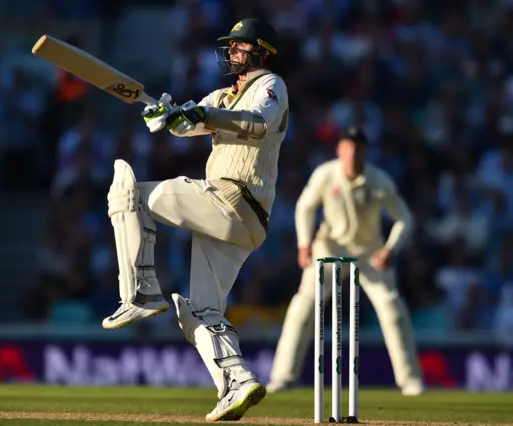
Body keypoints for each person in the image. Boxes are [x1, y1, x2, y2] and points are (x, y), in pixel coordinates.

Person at [102, 18, 289, 421]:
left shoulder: (270, 85)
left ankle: (140, 291)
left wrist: (200, 115)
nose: (232, 51)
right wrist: (167, 116)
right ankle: (237, 383)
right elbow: (190, 123)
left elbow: (255, 122)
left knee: (129, 193)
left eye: (239, 45)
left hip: (234, 198)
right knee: (201, 312)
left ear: (262, 50)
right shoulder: (223, 95)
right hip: (237, 224)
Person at [267, 128, 425, 396]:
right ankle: (283, 377)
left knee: (391, 307)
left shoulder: (378, 181)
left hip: (369, 254)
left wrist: (390, 249)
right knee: (303, 307)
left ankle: (410, 380)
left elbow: (404, 219)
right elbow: (305, 207)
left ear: (365, 152)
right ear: (340, 151)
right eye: (348, 150)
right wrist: (304, 244)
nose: (353, 156)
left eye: (358, 150)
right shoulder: (326, 174)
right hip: (329, 249)